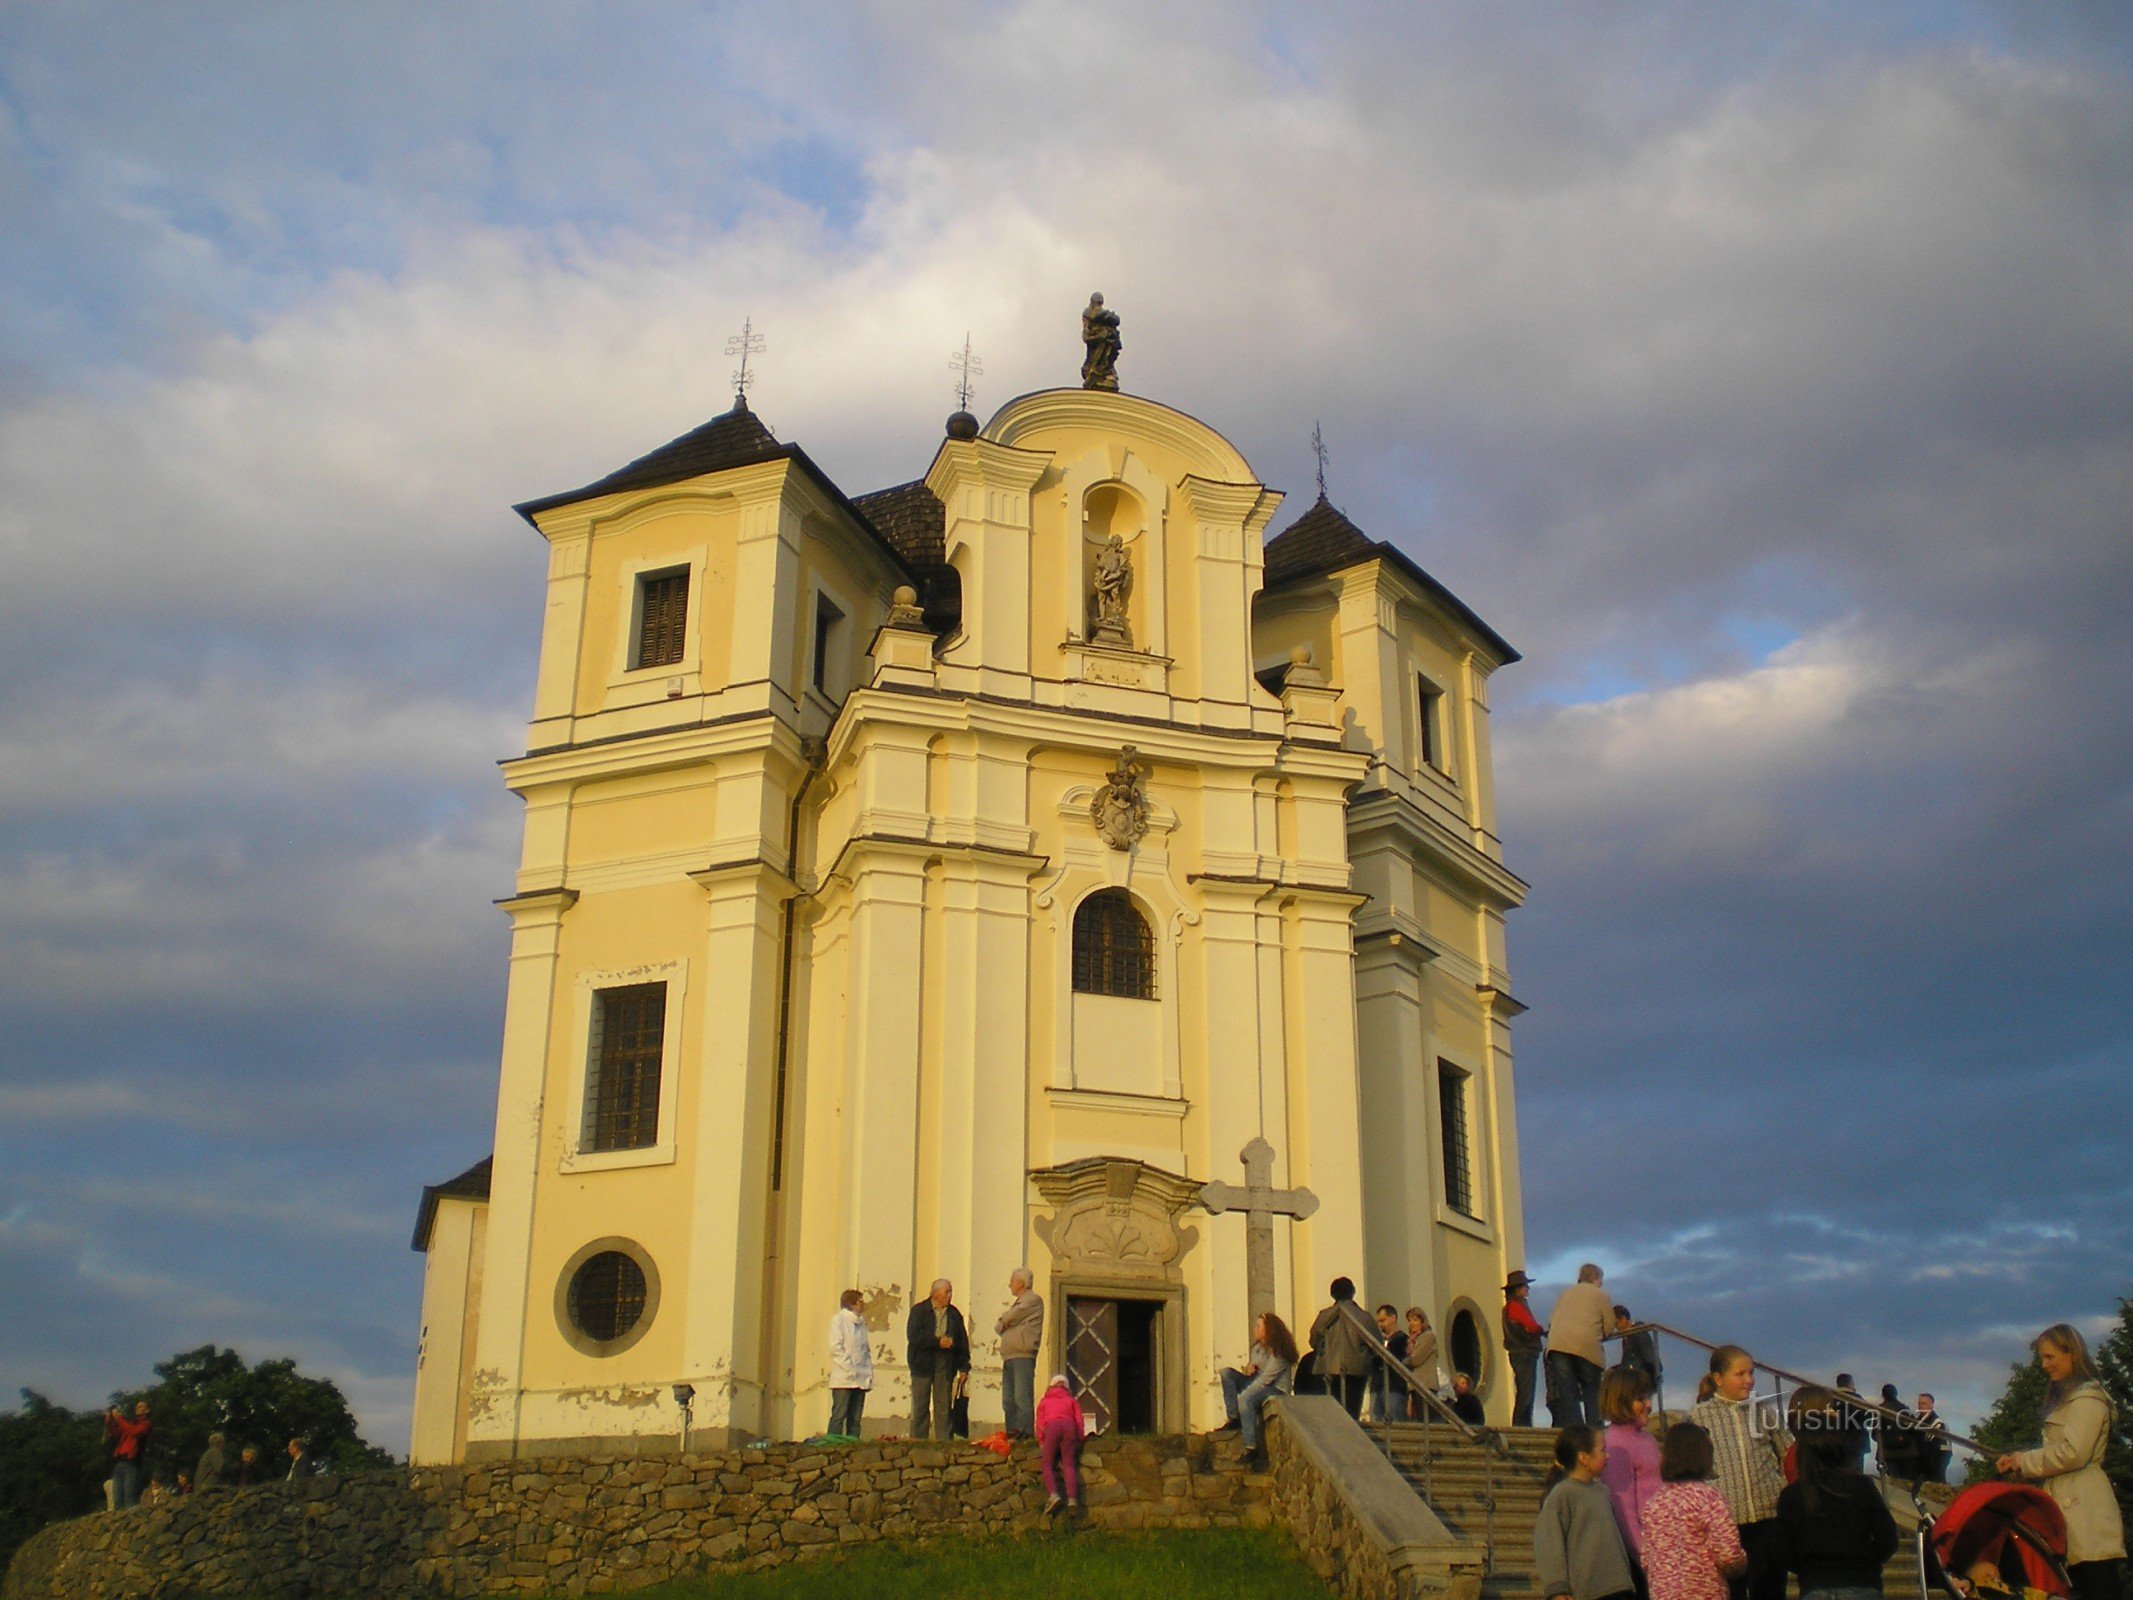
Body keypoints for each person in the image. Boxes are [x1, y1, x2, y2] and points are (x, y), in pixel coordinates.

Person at [1994, 1324, 2126, 1600]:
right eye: (2042, 1358)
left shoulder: (2088, 1399)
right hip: (2072, 1513)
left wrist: (2024, 1461)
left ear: (2071, 1354)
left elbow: (2073, 1453)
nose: (2044, 1365)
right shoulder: (2071, 1400)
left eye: (2050, 1357)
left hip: (2087, 1517)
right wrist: (2019, 1466)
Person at [1773, 1388, 1898, 1600]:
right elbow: (1887, 1539)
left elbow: (1783, 1549)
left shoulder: (1792, 1495)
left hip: (1815, 1583)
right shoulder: (1862, 1487)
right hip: (1862, 1581)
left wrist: (1807, 1566)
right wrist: (1868, 1560)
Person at [1690, 1345, 1792, 1600]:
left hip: (1768, 1522)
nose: (1749, 1380)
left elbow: (1788, 1454)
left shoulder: (1764, 1413)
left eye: (1751, 1373)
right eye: (1740, 1374)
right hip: (1725, 1526)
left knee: (1770, 1592)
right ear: (1718, 1378)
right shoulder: (1697, 1418)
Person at [1641, 1423, 1748, 1600]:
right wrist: (1742, 1561)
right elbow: (1729, 1555)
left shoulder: (1654, 1503)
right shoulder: (1708, 1498)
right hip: (1704, 1592)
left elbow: (1646, 1559)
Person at [1536, 1424, 1638, 1600]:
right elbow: (1549, 1542)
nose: (1608, 1455)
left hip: (1619, 1586)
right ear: (1584, 1458)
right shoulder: (1562, 1494)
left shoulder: (1602, 1491)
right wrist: (1557, 1588)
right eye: (1602, 1450)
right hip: (1590, 1590)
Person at [1602, 1365, 1663, 1583]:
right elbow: (1623, 1511)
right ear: (1621, 1400)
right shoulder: (1615, 1443)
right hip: (1641, 1559)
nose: (1648, 1404)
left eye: (1648, 1397)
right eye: (1640, 1399)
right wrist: (1646, 1560)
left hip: (1662, 1547)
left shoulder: (1646, 1438)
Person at [1219, 1312, 1298, 1465]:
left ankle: (1251, 1448)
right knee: (1226, 1374)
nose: (1254, 1330)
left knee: (1245, 1399)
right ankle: (1234, 1418)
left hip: (1274, 1388)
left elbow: (1266, 1379)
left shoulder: (1279, 1352)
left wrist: (1245, 1393)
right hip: (1258, 1381)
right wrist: (1248, 1369)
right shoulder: (1256, 1349)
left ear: (1268, 1330)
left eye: (1258, 1326)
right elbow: (1255, 1369)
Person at [904, 1278, 970, 1441]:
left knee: (944, 1406)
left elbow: (962, 1341)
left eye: (950, 1291)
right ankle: (919, 1440)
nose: (950, 1295)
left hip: (945, 1363)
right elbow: (914, 1336)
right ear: (935, 1293)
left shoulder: (954, 1314)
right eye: (946, 1292)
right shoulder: (919, 1311)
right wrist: (937, 1342)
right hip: (922, 1363)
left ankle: (944, 1441)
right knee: (920, 1404)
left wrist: (964, 1367)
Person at [1548, 1265, 1613, 1428]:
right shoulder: (1601, 1295)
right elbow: (1610, 1325)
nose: (1602, 1283)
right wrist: (1600, 1334)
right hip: (1586, 1346)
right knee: (1591, 1389)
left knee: (1568, 1392)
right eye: (1601, 1279)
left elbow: (1552, 1321)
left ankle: (1577, 1431)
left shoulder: (1565, 1294)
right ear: (1596, 1278)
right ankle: (1594, 1430)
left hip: (1557, 1346)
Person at [1309, 1278, 1372, 1419]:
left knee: (1332, 1413)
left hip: (1328, 1368)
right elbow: (1376, 1343)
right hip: (1356, 1370)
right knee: (1352, 1411)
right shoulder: (1363, 1317)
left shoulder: (1323, 1316)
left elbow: (1313, 1341)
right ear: (1353, 1292)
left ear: (1332, 1294)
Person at [995, 1268, 1044, 1437]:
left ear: (1022, 1283)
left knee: (1021, 1397)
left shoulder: (1032, 1300)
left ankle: (1025, 1433)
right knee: (1008, 1399)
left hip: (1023, 1355)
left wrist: (1006, 1321)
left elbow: (1010, 1318)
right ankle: (1012, 1432)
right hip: (1010, 1355)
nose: (1009, 1285)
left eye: (1012, 1281)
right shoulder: (1020, 1302)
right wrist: (1005, 1322)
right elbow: (1000, 1326)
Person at [1035, 1374, 1086, 1515]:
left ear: (1051, 1386)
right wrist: (1080, 1438)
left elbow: (1039, 1423)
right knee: (1068, 1464)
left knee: (1047, 1463)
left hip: (1052, 1427)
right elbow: (1079, 1421)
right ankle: (1072, 1499)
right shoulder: (1071, 1400)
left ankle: (1054, 1495)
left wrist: (1041, 1440)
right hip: (1069, 1428)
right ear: (1067, 1387)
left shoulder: (1044, 1401)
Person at [827, 1287, 873, 1439]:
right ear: (851, 1304)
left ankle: (852, 1445)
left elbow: (865, 1350)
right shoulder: (839, 1320)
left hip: (860, 1377)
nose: (863, 1304)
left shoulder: (861, 1323)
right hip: (844, 1377)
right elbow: (836, 1347)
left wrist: (867, 1372)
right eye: (860, 1301)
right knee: (839, 1415)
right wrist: (850, 1367)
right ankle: (833, 1443)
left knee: (855, 1418)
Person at [1506, 1271, 1546, 1427]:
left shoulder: (1515, 1305)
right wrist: (1540, 1330)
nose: (1528, 1288)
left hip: (1522, 1352)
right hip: (1523, 1352)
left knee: (1526, 1391)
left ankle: (1523, 1424)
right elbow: (1531, 1326)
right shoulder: (1516, 1306)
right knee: (1526, 1392)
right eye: (1525, 1286)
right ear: (1518, 1288)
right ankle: (1521, 1426)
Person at [104, 1400, 151, 1509]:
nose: (138, 1408)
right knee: (117, 1500)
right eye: (137, 1406)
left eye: (141, 1406)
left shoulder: (146, 1424)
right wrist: (109, 1421)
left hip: (131, 1464)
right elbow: (116, 1433)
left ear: (147, 1410)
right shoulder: (130, 1423)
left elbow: (134, 1432)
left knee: (130, 1499)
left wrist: (119, 1418)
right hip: (119, 1463)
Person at [1370, 1304, 1410, 1423]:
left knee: (1396, 1424)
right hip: (1377, 1386)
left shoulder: (1403, 1339)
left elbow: (1395, 1358)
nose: (1380, 1325)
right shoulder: (1380, 1340)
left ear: (1393, 1318)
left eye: (1383, 1320)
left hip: (1394, 1388)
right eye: (1378, 1322)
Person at [1616, 1306, 1663, 1400]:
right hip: (1637, 1380)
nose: (1616, 1327)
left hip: (1640, 1380)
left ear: (1624, 1319)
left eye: (1616, 1323)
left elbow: (1650, 1357)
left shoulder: (1638, 1333)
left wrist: (1653, 1379)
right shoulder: (1630, 1336)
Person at [1080, 292, 1122, 390]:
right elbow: (1093, 318)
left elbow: (1116, 320)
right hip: (1095, 338)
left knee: (1109, 345)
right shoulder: (1088, 312)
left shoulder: (1103, 314)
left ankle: (1104, 371)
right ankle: (1094, 372)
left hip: (1105, 339)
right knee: (1094, 357)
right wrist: (1107, 316)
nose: (1098, 306)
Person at [1406, 1306, 1442, 1417]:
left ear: (1422, 1322)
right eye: (1409, 1320)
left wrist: (1404, 1362)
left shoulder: (1428, 1337)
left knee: (1425, 1417)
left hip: (1426, 1384)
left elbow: (1416, 1359)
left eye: (1415, 1320)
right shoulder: (1411, 1340)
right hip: (1415, 1385)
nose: (1412, 1323)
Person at [1913, 1394, 1949, 1484]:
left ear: (1931, 1405)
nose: (1920, 1406)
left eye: (1924, 1403)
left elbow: (1941, 1450)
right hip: (1920, 1465)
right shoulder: (1916, 1421)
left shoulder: (1937, 1424)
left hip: (1934, 1466)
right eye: (1919, 1403)